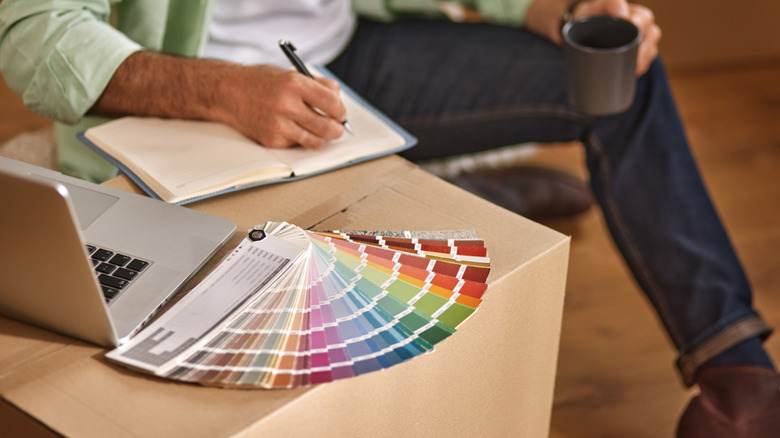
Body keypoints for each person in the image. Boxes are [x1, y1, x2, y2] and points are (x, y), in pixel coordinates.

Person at [0, 0, 777, 435]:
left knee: (620, 79)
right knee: (249, 302)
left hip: (346, 60)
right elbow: (34, 31)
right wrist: (223, 90)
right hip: (183, 102)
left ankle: (732, 366)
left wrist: (544, 8)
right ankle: (490, 194)